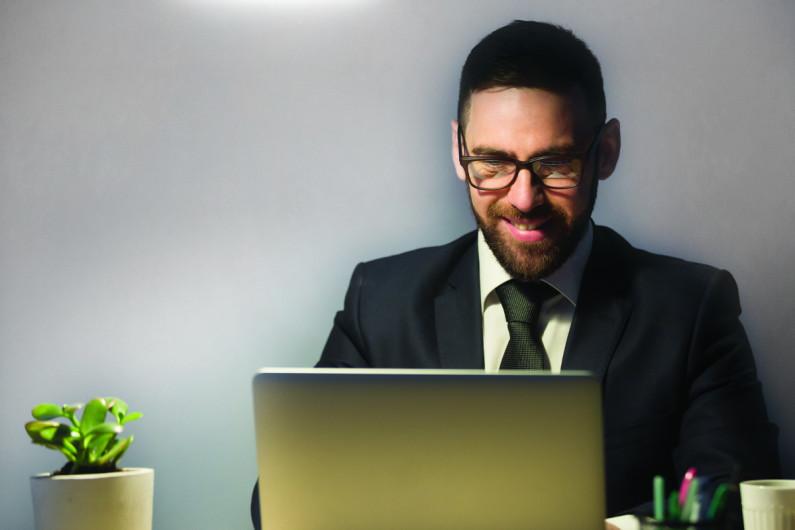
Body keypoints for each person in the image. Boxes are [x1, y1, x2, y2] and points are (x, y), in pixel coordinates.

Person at [252, 20, 780, 527]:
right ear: (460, 154)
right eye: (493, 163)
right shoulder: (381, 302)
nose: (523, 198)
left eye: (555, 164)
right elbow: (287, 494)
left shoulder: (691, 308)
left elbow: (734, 496)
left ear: (607, 152)